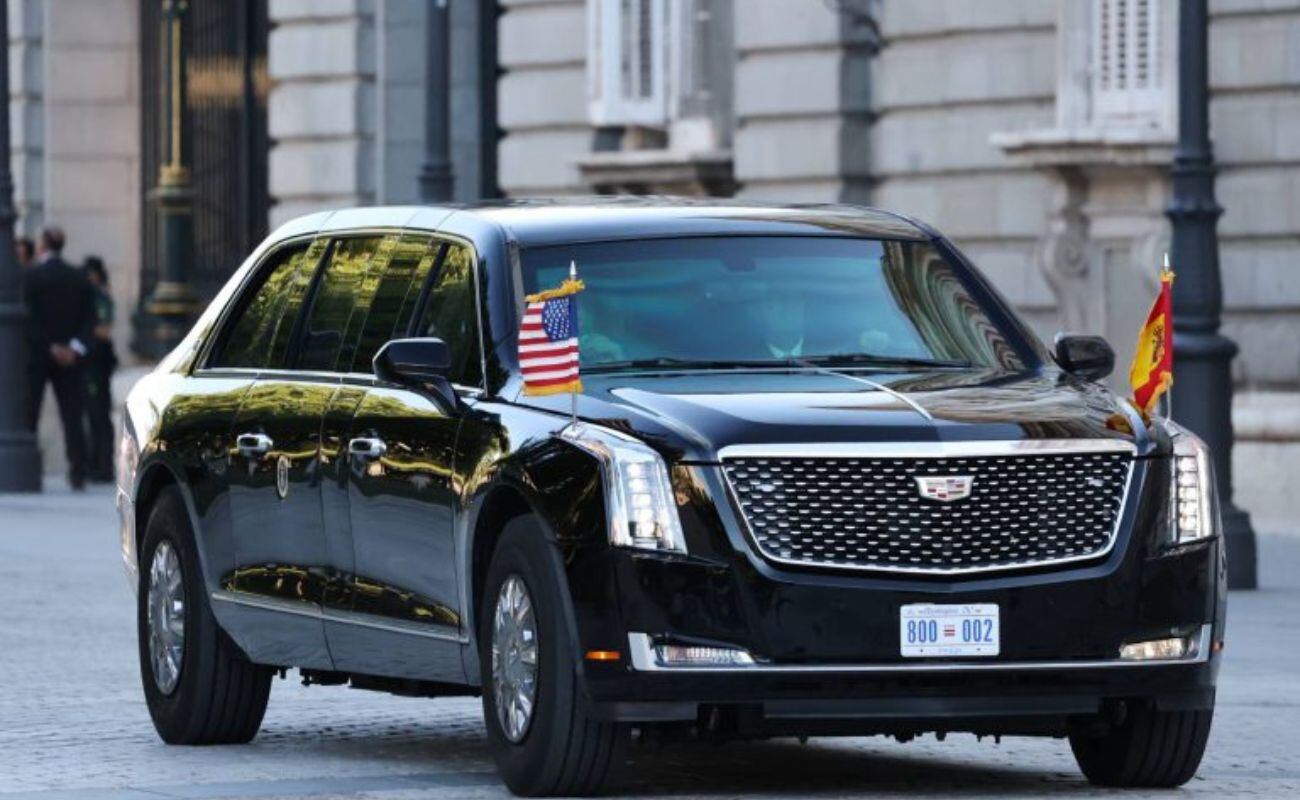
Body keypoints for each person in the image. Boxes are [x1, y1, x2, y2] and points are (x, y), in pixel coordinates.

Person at [24, 226, 97, 490]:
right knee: (73, 416)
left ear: (43, 246)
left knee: (30, 414)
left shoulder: (31, 277)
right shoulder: (79, 277)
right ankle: (77, 473)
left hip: (39, 357)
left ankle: (29, 471)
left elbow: (29, 320)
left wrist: (50, 348)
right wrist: (74, 348)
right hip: (71, 358)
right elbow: (91, 320)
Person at [82, 256, 118, 483]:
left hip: (97, 361)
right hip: (94, 360)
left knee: (98, 413)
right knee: (94, 414)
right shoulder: (93, 296)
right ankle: (96, 463)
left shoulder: (99, 297)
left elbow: (103, 329)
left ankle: (102, 466)